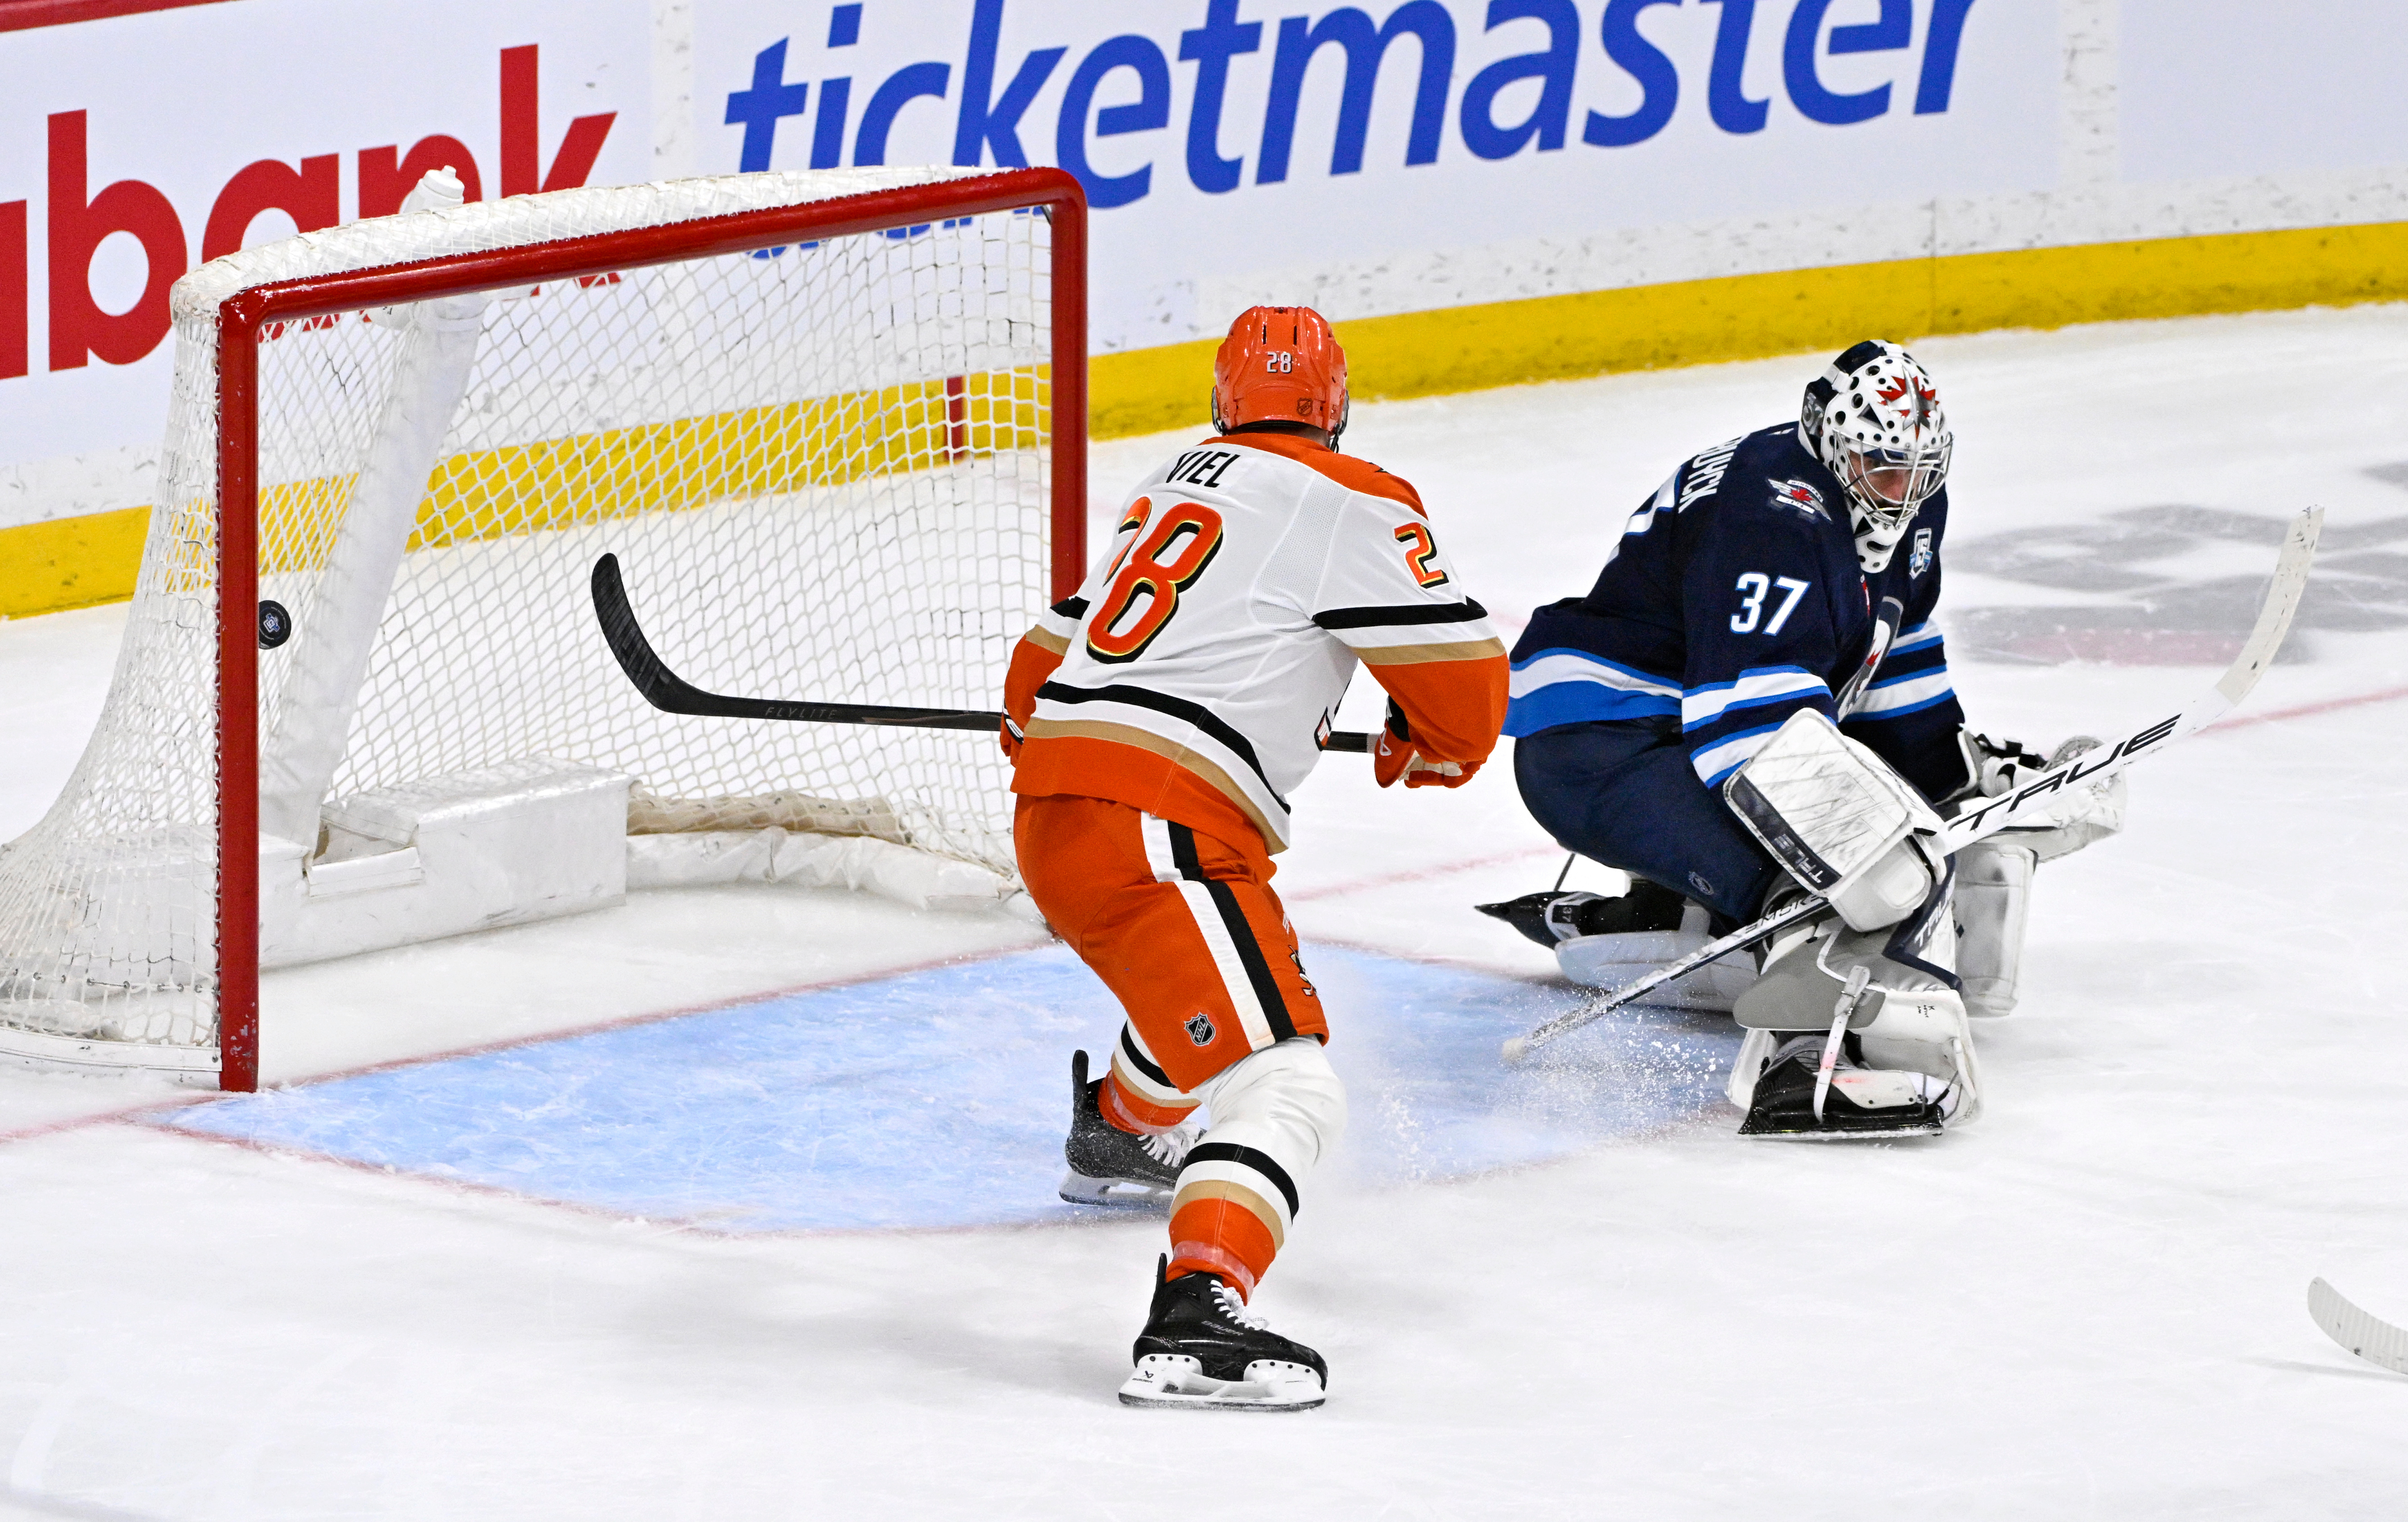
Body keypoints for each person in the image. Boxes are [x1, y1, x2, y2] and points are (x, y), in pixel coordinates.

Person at [1002, 306, 1508, 1409]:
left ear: (1225, 403)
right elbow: (1470, 694)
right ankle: (1198, 1311)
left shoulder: (1171, 484)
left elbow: (1032, 677)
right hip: (1158, 827)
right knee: (1289, 1082)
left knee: (1207, 983)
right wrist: (1429, 739)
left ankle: (1122, 1129)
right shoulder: (1356, 495)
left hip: (1060, 819)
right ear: (1336, 408)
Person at [1483, 340, 2121, 1138]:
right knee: (1848, 865)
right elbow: (1747, 732)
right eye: (1881, 470)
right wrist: (1865, 843)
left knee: (1886, 840)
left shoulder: (1904, 499)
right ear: (1827, 438)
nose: (1901, 493)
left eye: (1919, 472)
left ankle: (1680, 913)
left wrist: (1957, 776)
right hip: (1600, 746)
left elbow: (1888, 651)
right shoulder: (1771, 511)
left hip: (1683, 730)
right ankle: (1801, 1063)